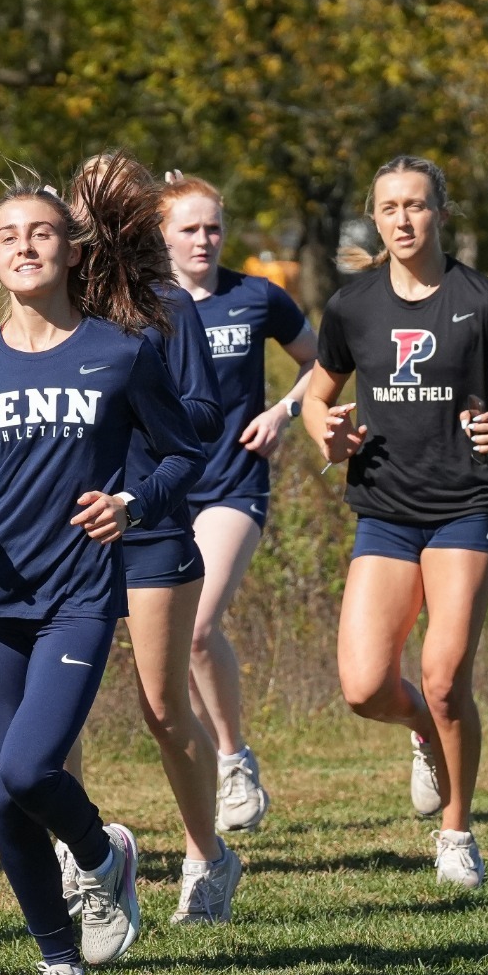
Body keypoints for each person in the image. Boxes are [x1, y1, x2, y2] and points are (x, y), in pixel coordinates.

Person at [0, 154, 205, 975]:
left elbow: (186, 452)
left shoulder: (121, 353)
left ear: (70, 250)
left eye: (40, 232)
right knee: (3, 799)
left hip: (78, 594)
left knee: (33, 771)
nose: (24, 246)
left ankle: (104, 857)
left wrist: (135, 503)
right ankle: (59, 964)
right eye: (7, 237)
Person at [301, 155, 488, 889]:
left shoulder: (482, 299)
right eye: (390, 208)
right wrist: (328, 434)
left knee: (445, 680)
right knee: (364, 686)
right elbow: (316, 397)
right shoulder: (352, 306)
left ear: (441, 213)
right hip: (383, 508)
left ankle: (456, 831)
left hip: (464, 506)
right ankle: (420, 731)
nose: (404, 219)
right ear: (375, 220)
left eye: (417, 205)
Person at [53, 156, 237, 927]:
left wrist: (137, 409)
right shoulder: (54, 305)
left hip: (153, 520)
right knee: (57, 714)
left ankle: (208, 855)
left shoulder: (167, 307)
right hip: (69, 529)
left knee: (163, 708)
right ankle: (80, 857)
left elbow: (201, 414)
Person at [159, 172, 318, 833]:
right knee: (173, 645)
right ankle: (211, 765)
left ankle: (233, 761)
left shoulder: (256, 297)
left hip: (234, 484)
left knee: (196, 626)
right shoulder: (144, 304)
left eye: (212, 227)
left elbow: (322, 363)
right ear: (162, 235)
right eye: (189, 228)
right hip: (164, 492)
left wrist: (283, 411)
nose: (204, 239)